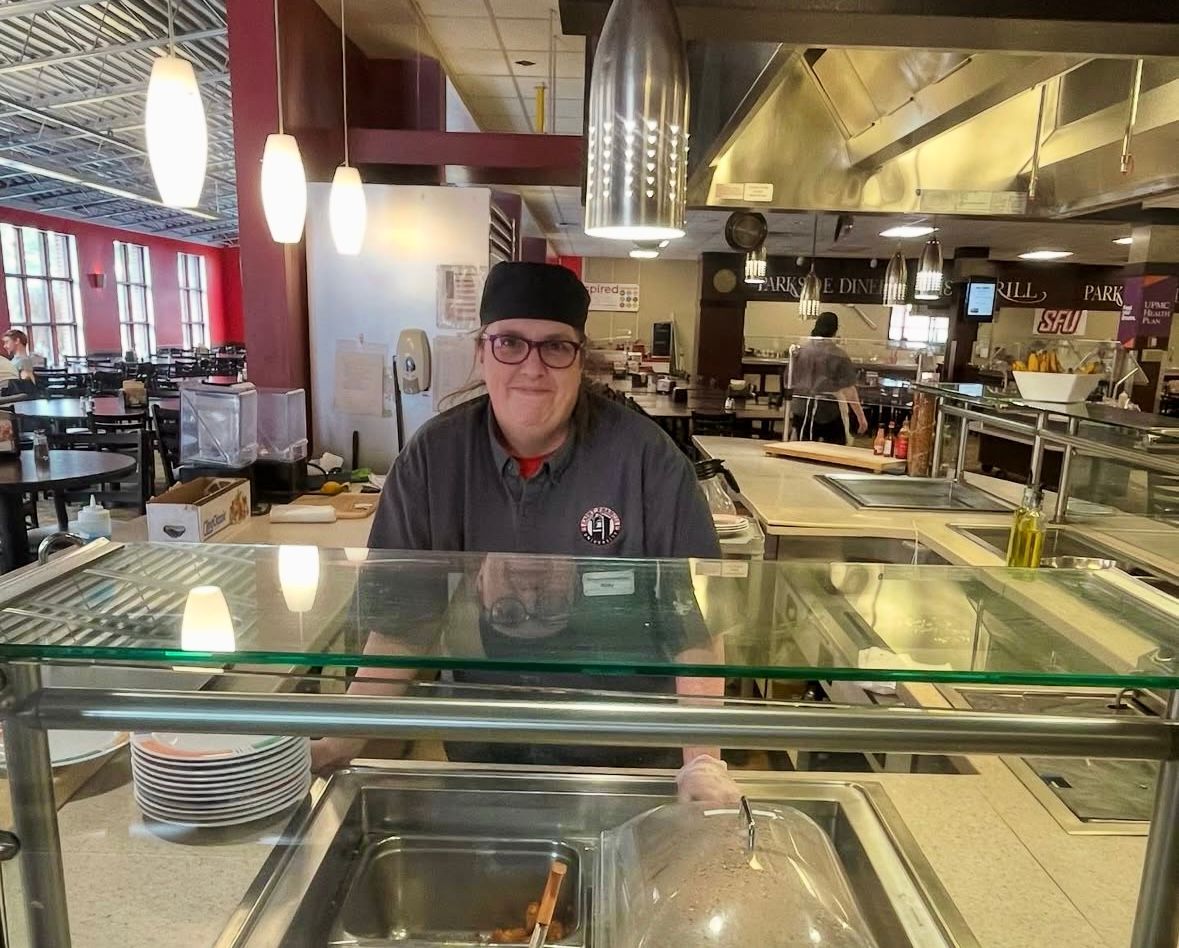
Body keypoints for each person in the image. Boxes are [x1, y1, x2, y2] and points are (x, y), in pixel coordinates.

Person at [314, 261, 738, 802]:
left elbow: (696, 630)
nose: (532, 368)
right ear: (481, 352)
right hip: (485, 756)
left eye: (555, 346)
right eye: (510, 343)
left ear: (580, 358)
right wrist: (340, 741)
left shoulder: (648, 460)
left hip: (625, 760)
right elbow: (400, 625)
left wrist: (701, 763)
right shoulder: (432, 460)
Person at [789, 311, 868, 443]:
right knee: (835, 447)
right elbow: (849, 390)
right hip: (827, 410)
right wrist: (861, 417)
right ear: (835, 330)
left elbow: (791, 380)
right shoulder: (838, 354)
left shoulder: (802, 350)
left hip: (801, 406)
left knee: (802, 445)